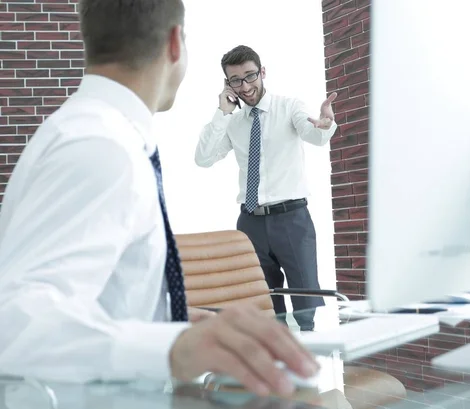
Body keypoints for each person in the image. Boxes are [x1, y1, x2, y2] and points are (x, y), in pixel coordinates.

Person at [0, 0, 318, 397]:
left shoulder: (101, 134)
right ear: (174, 43)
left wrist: (170, 320)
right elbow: (13, 324)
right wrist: (170, 348)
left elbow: (100, 295)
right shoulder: (99, 147)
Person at [195, 45, 338, 331]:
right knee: (264, 307)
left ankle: (309, 366)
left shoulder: (289, 107)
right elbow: (203, 158)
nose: (245, 86)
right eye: (236, 80)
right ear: (227, 84)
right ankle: (276, 366)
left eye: (250, 76)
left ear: (262, 72)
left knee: (306, 301)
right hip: (250, 223)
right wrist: (221, 112)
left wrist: (325, 125)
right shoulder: (232, 122)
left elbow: (315, 136)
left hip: (291, 219)